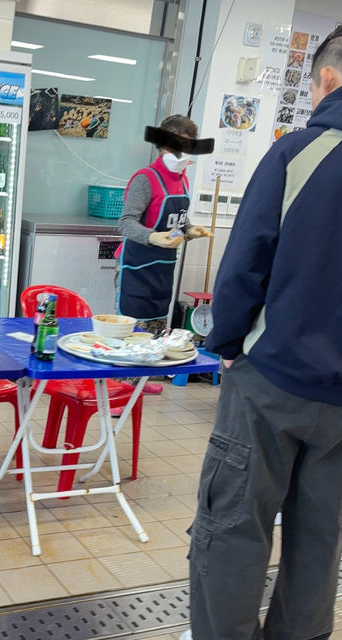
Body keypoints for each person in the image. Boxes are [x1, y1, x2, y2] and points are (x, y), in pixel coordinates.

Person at [186, 27, 342, 640]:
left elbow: (244, 262)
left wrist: (224, 346)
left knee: (233, 527)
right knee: (319, 535)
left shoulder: (298, 153)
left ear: (326, 80)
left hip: (271, 381)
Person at [116, 114, 213, 393]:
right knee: (133, 333)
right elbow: (125, 222)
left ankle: (141, 380)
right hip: (136, 267)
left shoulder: (182, 180)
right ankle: (121, 389)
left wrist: (191, 231)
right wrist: (151, 236)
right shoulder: (146, 179)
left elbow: (178, 222)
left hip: (162, 268)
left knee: (157, 330)